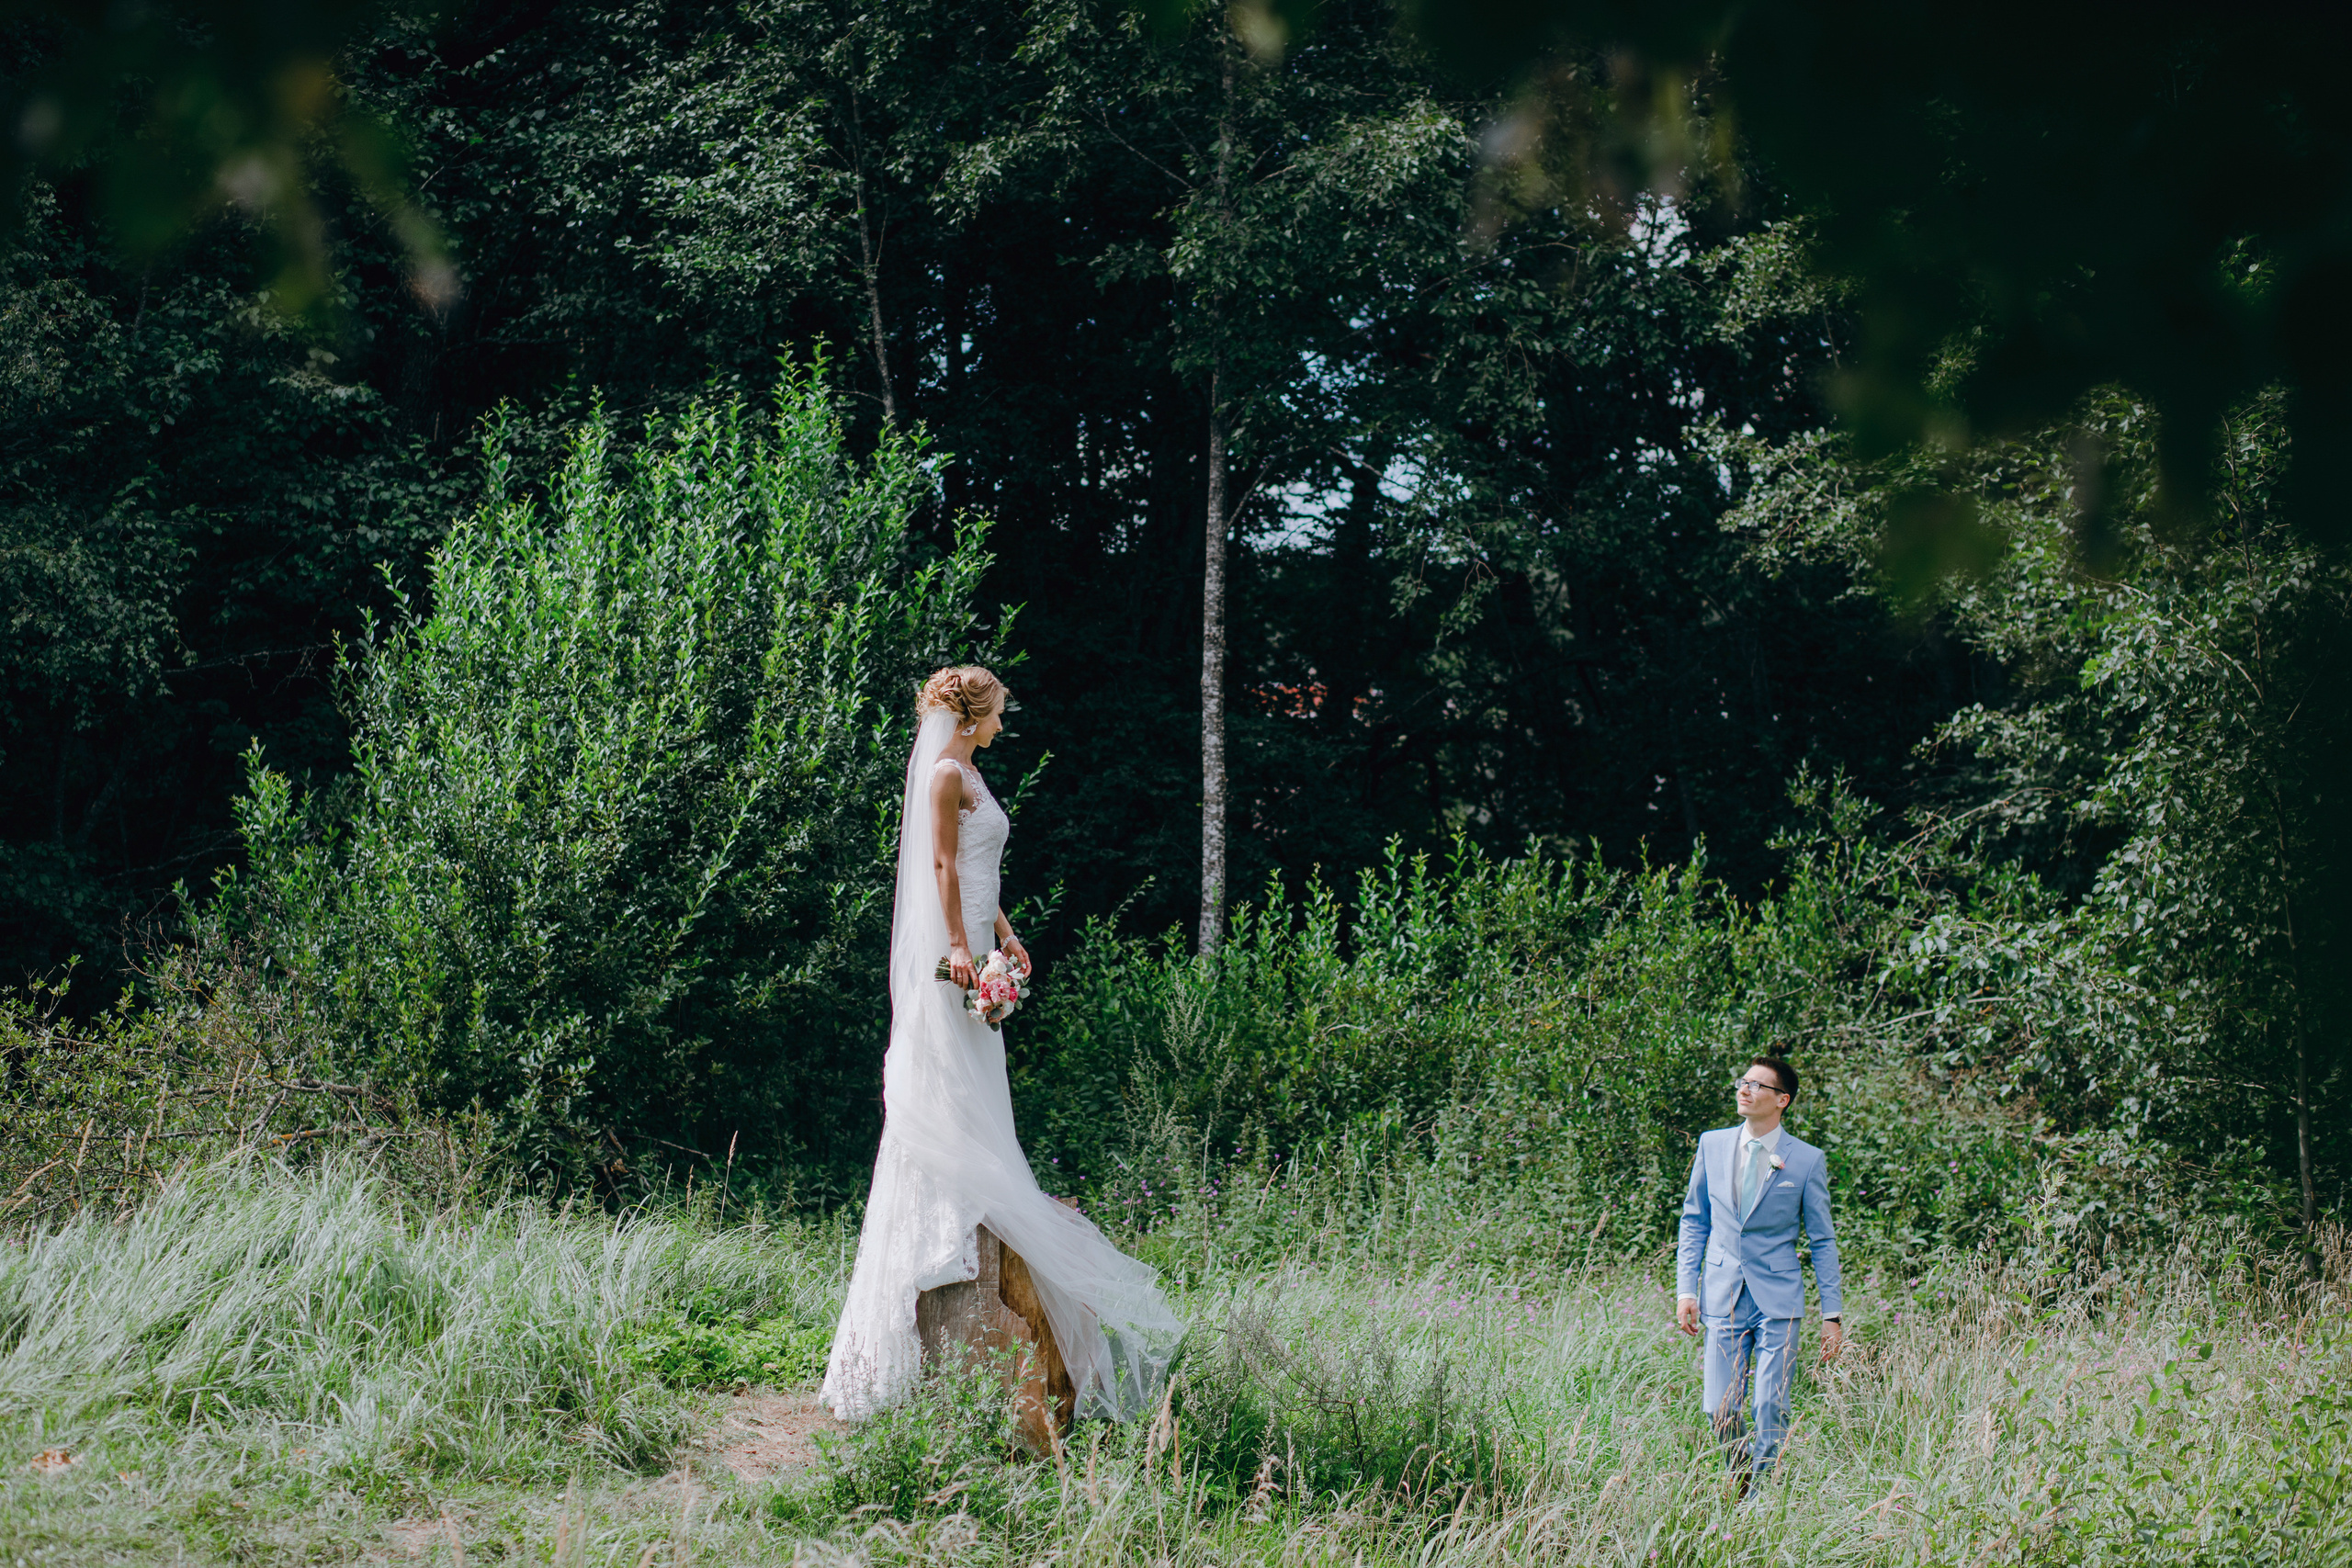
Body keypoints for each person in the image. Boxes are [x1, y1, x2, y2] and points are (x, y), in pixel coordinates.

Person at [822, 665, 1182, 1422]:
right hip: (951, 965)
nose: (1003, 723)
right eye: (998, 713)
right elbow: (943, 867)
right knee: (946, 1100)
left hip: (979, 949)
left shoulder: (972, 772)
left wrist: (1005, 936)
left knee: (980, 1097)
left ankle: (978, 1219)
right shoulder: (945, 775)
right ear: (972, 712)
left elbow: (982, 871)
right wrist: (959, 946)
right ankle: (948, 1248)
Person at [1674, 1054, 1843, 1493]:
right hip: (1722, 1291)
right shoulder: (1712, 1145)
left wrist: (1832, 1315)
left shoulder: (1806, 1160)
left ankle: (1761, 1499)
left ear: (1782, 1100)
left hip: (1779, 1297)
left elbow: (1822, 1240)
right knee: (1718, 1407)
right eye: (1742, 1082)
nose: (1744, 1090)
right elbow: (1695, 1219)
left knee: (1770, 1405)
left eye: (1757, 1085)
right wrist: (1685, 1290)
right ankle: (1742, 1473)